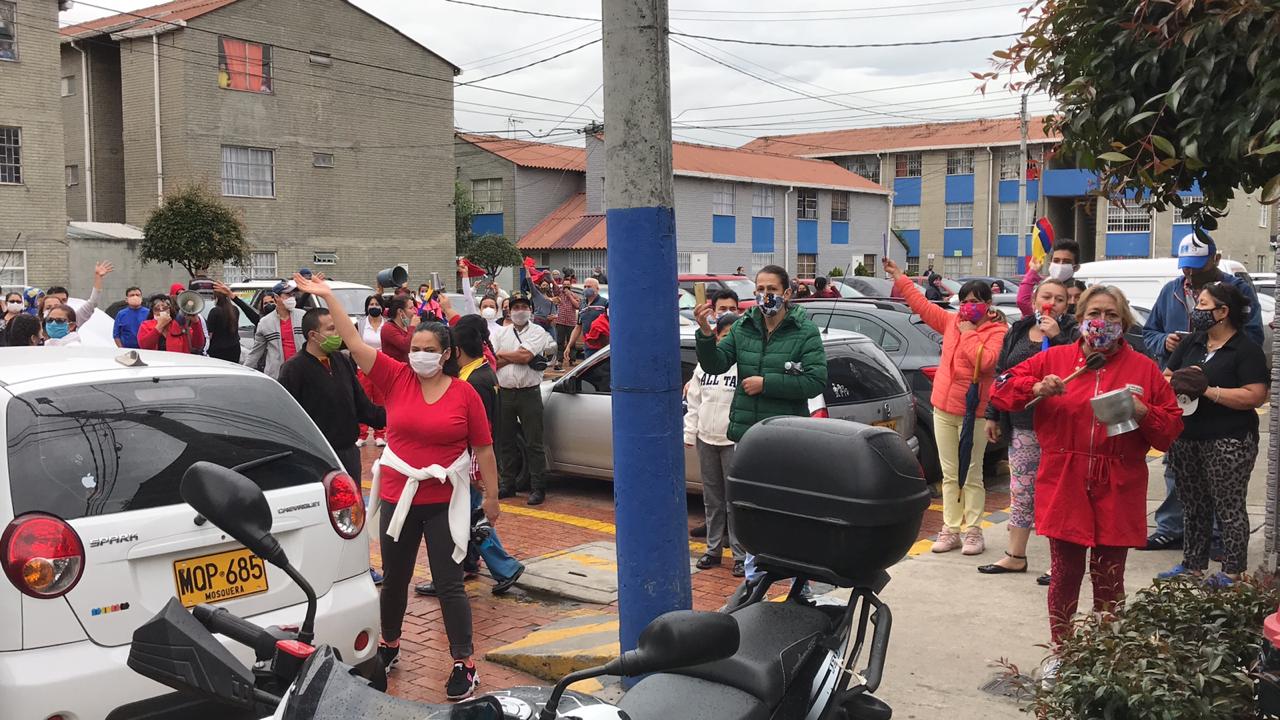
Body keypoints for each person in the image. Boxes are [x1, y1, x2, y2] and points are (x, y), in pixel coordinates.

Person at [292, 273, 498, 701]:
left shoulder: (464, 395)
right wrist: (329, 296)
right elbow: (353, 340)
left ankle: (465, 662)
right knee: (396, 579)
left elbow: (484, 448)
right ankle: (389, 645)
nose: (420, 356)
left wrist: (492, 497)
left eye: (429, 351)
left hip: (444, 500)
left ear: (446, 355)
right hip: (397, 498)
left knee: (449, 584)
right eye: (415, 349)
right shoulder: (395, 377)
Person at [989, 284, 1181, 681]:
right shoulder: (1055, 359)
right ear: (1079, 320)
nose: (1103, 322)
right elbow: (1001, 388)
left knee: (1110, 575)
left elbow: (1169, 431)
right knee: (1065, 572)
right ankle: (1062, 650)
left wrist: (1143, 408)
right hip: (1065, 480)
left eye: (1113, 315)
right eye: (1095, 313)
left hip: (1120, 480)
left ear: (1125, 323)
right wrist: (1036, 387)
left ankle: (1107, 654)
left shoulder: (1144, 369)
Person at [694, 265, 827, 592]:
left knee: (788, 514)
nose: (765, 295)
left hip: (785, 438)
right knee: (753, 513)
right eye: (760, 288)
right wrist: (705, 334)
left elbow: (815, 380)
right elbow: (715, 364)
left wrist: (767, 383)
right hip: (749, 439)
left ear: (787, 293)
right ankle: (754, 582)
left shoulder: (803, 332)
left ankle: (800, 585)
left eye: (772, 289)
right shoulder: (743, 327)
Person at [1140, 232, 1263, 552]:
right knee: (1179, 476)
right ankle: (1173, 529)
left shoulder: (1236, 292)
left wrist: (1211, 376)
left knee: (1224, 490)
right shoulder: (1171, 292)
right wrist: (1164, 343)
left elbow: (1251, 341)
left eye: (1198, 267)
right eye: (1185, 267)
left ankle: (1222, 541)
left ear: (1215, 259)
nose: (1190, 274)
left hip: (1226, 421)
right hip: (1184, 413)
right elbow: (1150, 332)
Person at [885, 258, 1007, 555]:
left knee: (973, 472)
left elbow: (986, 361)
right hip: (944, 408)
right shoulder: (952, 321)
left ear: (988, 303)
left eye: (976, 301)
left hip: (975, 413)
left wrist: (967, 334)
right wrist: (901, 279)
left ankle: (974, 529)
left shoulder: (998, 332)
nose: (968, 307)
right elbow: (923, 307)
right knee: (950, 473)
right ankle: (951, 528)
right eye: (964, 301)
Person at [1160, 282, 1267, 584]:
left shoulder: (1244, 350)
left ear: (1223, 311)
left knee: (1229, 506)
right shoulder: (1192, 343)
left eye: (1204, 305)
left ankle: (1231, 570)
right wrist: (1178, 381)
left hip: (1229, 440)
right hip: (1186, 436)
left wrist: (1208, 390)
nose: (1198, 311)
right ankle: (1192, 565)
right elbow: (1166, 376)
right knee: (1193, 505)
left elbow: (1254, 395)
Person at [417, 315, 525, 597]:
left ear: (457, 350)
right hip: (470, 463)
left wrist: (478, 473)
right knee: (468, 520)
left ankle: (504, 567)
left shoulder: (473, 381)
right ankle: (469, 564)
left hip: (467, 465)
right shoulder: (484, 372)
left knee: (468, 522)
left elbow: (481, 433)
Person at [979, 279, 1076, 582]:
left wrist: (1058, 338)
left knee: (1056, 494)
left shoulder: (1072, 333)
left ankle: (1058, 562)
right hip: (1022, 424)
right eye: (1046, 296)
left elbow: (1077, 371)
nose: (1052, 303)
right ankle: (1015, 555)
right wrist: (993, 414)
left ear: (1067, 305)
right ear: (1034, 299)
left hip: (1058, 426)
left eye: (1059, 299)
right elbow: (1001, 376)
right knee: (1021, 491)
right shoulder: (1019, 330)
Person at [278, 308, 386, 488]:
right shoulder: (294, 369)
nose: (337, 334)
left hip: (348, 455)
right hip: (317, 459)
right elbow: (287, 419)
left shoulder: (340, 360)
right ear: (313, 335)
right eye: (331, 329)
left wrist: (397, 415)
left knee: (353, 511)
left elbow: (363, 407)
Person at [685, 311, 746, 576]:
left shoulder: (744, 366)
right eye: (723, 335)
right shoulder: (704, 367)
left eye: (733, 336)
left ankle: (740, 555)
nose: (727, 340)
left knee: (735, 501)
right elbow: (695, 403)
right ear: (717, 335)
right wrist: (690, 433)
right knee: (712, 500)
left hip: (733, 442)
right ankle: (713, 550)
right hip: (706, 439)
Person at [493, 292, 554, 504]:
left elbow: (526, 356)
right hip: (505, 392)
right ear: (509, 311)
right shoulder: (501, 333)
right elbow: (492, 360)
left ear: (530, 310)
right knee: (505, 440)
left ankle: (538, 487)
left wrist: (505, 356)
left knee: (533, 441)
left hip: (529, 393)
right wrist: (514, 356)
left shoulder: (538, 331)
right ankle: (507, 483)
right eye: (516, 307)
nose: (520, 311)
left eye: (523, 307)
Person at [243, 280, 305, 379]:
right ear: (277, 297)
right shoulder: (265, 323)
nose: (292, 298)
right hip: (278, 375)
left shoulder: (302, 316)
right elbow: (256, 352)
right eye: (287, 295)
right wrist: (244, 372)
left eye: (293, 295)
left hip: (302, 372)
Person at [1016, 240, 1082, 317]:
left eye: (1066, 262)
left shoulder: (1077, 289)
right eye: (1056, 261)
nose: (1052, 303)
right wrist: (1033, 271)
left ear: (1076, 267)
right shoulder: (1042, 286)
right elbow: (1023, 302)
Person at [357, 295, 388, 448]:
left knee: (380, 400)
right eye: (371, 304)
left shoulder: (387, 325)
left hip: (382, 366)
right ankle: (361, 434)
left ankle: (380, 434)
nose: (373, 306)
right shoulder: (361, 323)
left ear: (382, 306)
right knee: (363, 400)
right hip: (363, 367)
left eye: (376, 304)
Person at [42, 261, 113, 327]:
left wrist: (98, 277)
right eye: (49, 307)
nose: (60, 305)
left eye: (63, 300)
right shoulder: (37, 323)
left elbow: (92, 303)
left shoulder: (74, 317)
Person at [138, 293, 206, 354]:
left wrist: (196, 323)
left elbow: (198, 345)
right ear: (152, 312)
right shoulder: (146, 325)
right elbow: (144, 345)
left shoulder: (180, 325)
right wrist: (159, 326)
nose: (161, 311)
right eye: (157, 309)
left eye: (165, 308)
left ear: (170, 310)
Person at [563, 278, 608, 366]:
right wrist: (569, 346)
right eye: (585, 286)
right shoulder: (582, 305)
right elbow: (578, 327)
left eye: (589, 286)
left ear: (597, 289)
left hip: (603, 347)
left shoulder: (604, 303)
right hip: (588, 347)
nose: (586, 288)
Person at [206, 282, 243, 363]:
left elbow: (210, 334)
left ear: (217, 298)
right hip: (234, 348)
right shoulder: (235, 310)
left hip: (218, 349)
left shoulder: (214, 311)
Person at [550, 276, 579, 371]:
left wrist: (570, 295)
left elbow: (577, 306)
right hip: (560, 321)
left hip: (571, 322)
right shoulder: (559, 294)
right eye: (564, 285)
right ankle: (560, 360)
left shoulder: (574, 295)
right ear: (562, 285)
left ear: (571, 285)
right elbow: (554, 287)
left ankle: (572, 359)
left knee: (572, 342)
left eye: (568, 285)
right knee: (560, 342)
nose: (566, 287)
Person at [380, 295, 416, 364]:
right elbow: (406, 347)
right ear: (400, 311)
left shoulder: (407, 326)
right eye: (411, 308)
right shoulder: (388, 328)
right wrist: (412, 327)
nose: (414, 311)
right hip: (395, 371)